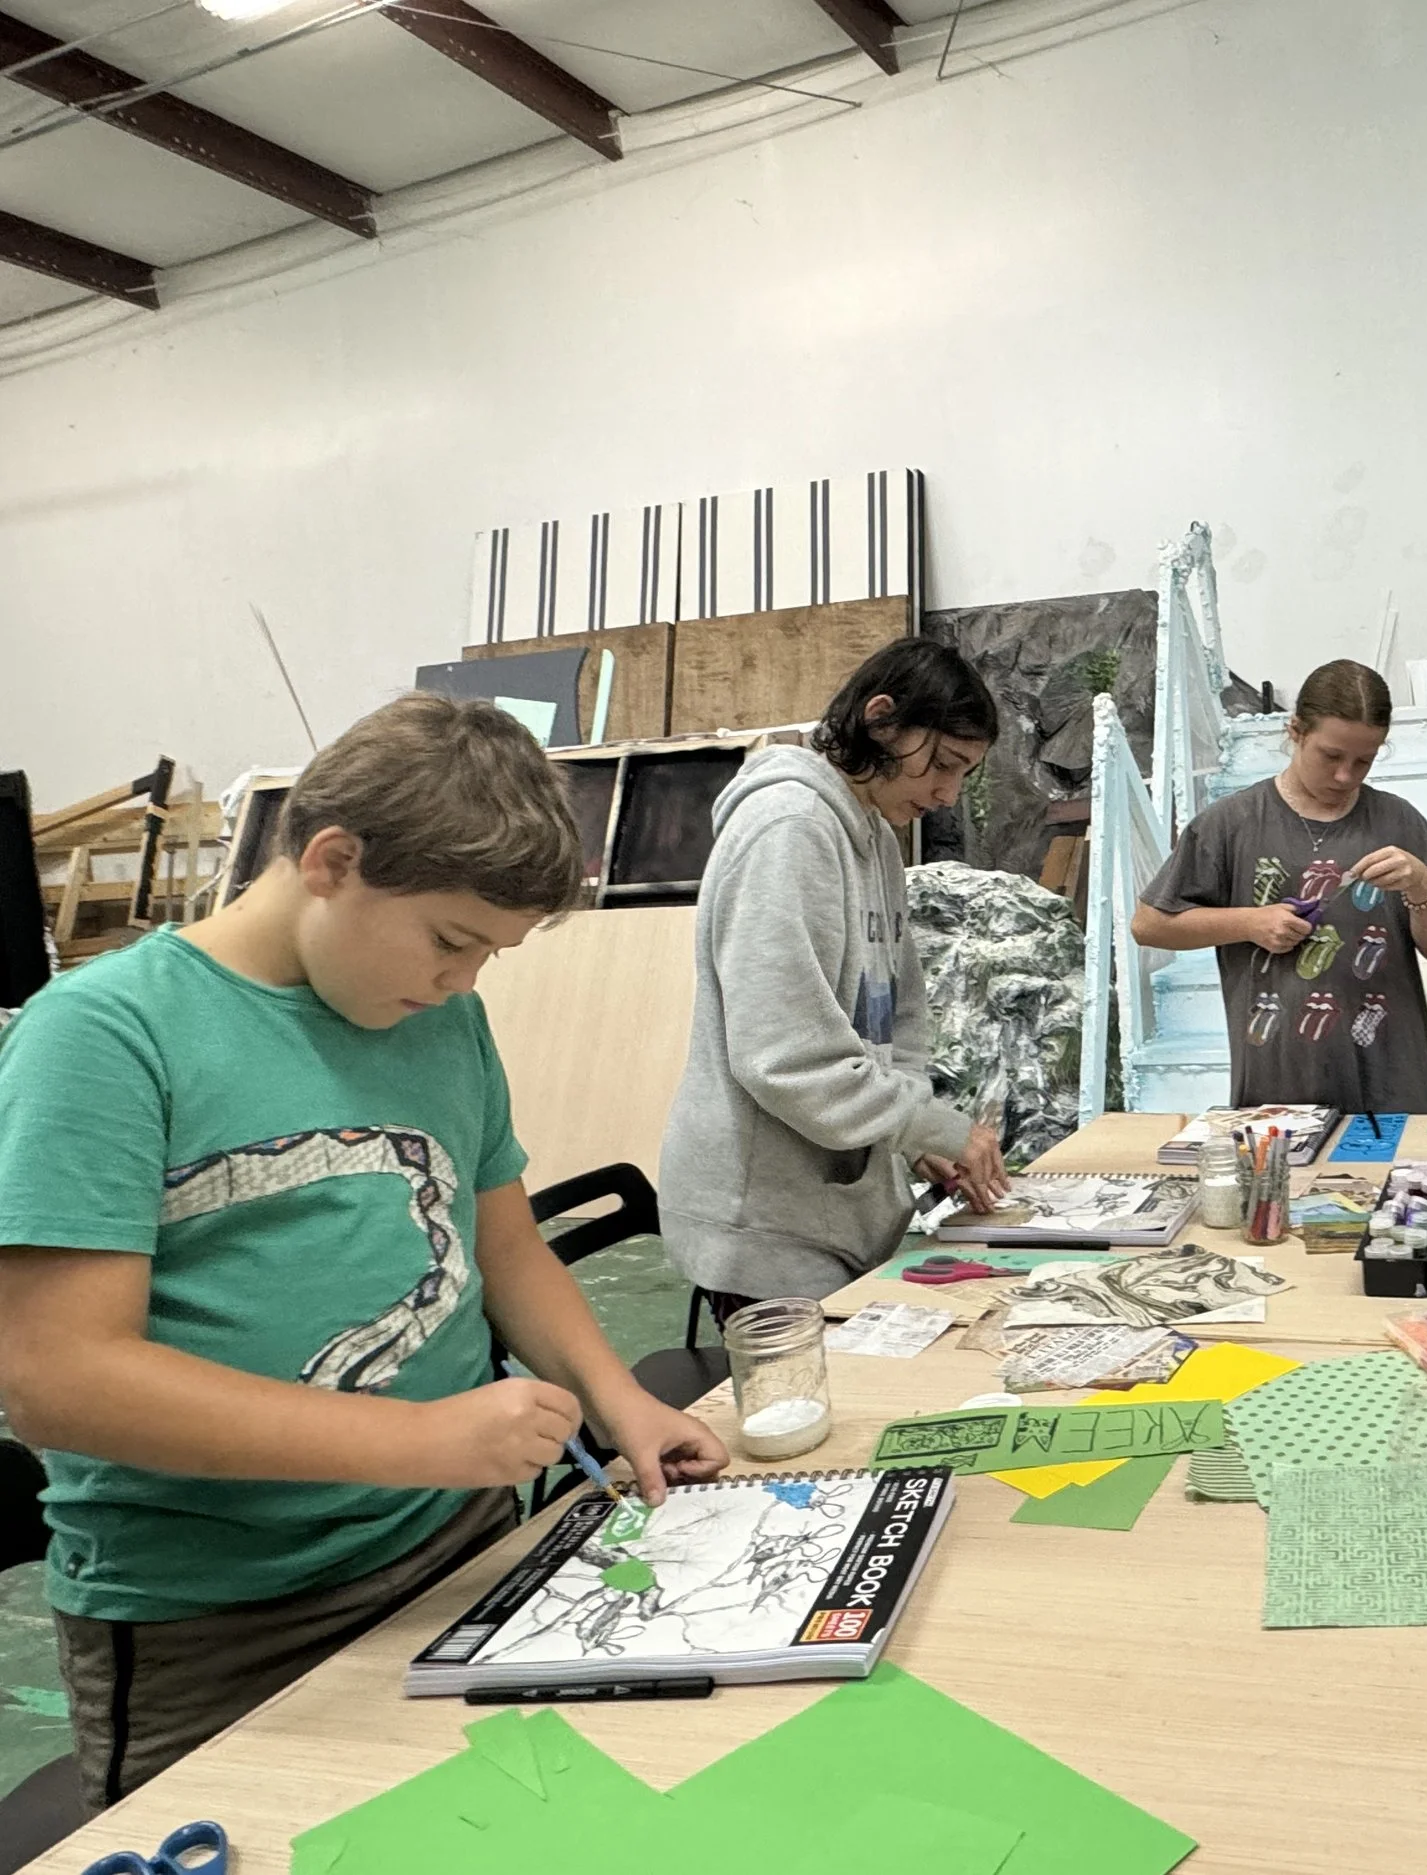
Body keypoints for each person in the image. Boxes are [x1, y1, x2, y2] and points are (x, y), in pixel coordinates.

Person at [0, 695, 729, 1810]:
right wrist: (413, 1438)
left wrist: (612, 1396)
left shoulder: (436, 1020)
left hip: (458, 1544)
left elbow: (506, 1246)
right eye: (450, 940)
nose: (463, 981)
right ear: (332, 859)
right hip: (224, 1619)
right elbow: (59, 1379)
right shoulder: (103, 1036)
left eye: (489, 954)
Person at [661, 639, 1009, 1312]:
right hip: (764, 1221)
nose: (946, 793)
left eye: (964, 774)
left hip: (831, 1208)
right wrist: (933, 1125)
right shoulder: (789, 827)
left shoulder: (874, 834)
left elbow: (897, 1019)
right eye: (940, 763)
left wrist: (909, 1137)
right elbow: (785, 1056)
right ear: (881, 719)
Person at [1133, 660, 1427, 1116]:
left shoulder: (1399, 822)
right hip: (1280, 1078)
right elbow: (1149, 925)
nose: (1346, 776)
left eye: (1364, 761)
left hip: (1391, 1077)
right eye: (1331, 756)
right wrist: (1248, 922)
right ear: (1295, 731)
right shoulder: (1231, 823)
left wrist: (1423, 888)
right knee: (1284, 1186)